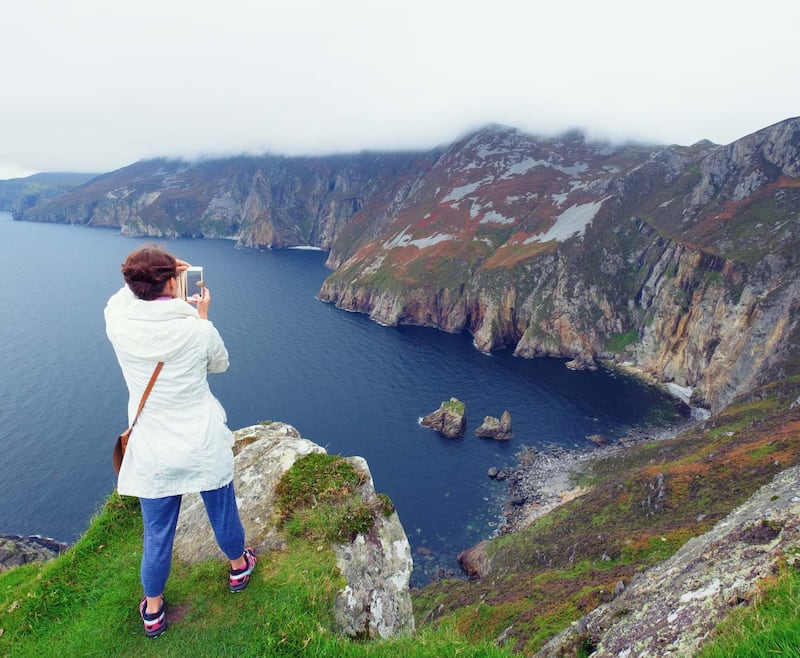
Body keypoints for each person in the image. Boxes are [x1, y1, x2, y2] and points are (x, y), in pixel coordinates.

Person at [104, 245, 256, 639]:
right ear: (173, 282)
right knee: (222, 511)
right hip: (200, 443)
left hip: (153, 450)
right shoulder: (196, 329)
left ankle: (153, 610)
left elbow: (117, 301)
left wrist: (150, 278)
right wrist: (202, 316)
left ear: (134, 285)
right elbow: (219, 364)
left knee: (157, 533)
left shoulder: (119, 325)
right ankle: (239, 568)